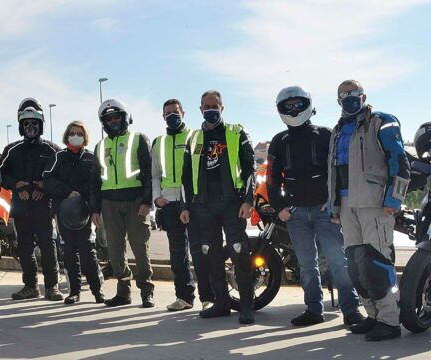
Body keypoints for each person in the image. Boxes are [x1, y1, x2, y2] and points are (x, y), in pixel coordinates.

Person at [267, 86, 365, 327]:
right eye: (287, 106)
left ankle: (351, 311)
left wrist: (336, 204)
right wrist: (280, 207)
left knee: (338, 261)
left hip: (325, 211)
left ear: (308, 105)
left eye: (297, 104)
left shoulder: (325, 134)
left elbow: (339, 171)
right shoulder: (279, 141)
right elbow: (271, 178)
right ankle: (313, 310)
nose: (293, 109)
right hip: (295, 213)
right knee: (306, 265)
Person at [328, 80, 409, 341]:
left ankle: (389, 321)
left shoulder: (381, 121)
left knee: (376, 262)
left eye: (354, 93)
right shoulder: (338, 129)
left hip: (375, 204)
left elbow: (399, 161)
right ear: (338, 99)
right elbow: (333, 171)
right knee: (355, 264)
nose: (350, 98)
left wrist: (394, 200)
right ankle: (372, 315)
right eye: (344, 95)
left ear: (363, 95)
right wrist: (334, 205)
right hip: (347, 204)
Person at [180, 90, 256, 324]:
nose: (211, 109)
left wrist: (248, 200)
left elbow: (250, 168)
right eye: (207, 106)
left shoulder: (235, 132)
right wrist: (185, 206)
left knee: (238, 252)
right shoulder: (193, 138)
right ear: (200, 109)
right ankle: (221, 303)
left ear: (222, 107)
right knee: (211, 256)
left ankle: (246, 306)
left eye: (216, 105)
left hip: (232, 204)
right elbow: (185, 176)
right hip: (203, 205)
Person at [90, 99, 155, 308]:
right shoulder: (101, 146)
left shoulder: (138, 139)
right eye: (108, 119)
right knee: (115, 250)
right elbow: (95, 181)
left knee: (139, 247)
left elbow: (148, 173)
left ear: (125, 117)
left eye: (116, 117)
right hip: (109, 203)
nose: (113, 121)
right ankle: (123, 291)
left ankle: (146, 291)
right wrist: (95, 209)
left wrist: (147, 201)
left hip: (135, 202)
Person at [151, 99, 214, 312]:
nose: (172, 116)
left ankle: (208, 297)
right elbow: (155, 175)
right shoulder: (158, 142)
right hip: (169, 204)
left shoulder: (196, 136)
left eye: (175, 112)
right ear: (163, 116)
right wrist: (157, 197)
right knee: (177, 254)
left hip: (194, 203)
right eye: (167, 113)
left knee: (200, 250)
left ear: (183, 113)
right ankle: (184, 297)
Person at [0, 98, 62, 301]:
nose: (30, 127)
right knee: (24, 246)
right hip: (20, 206)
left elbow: (61, 176)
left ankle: (52, 286)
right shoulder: (11, 150)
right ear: (20, 125)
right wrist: (16, 184)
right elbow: (0, 175)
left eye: (34, 123)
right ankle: (30, 286)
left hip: (44, 206)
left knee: (47, 245)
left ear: (41, 124)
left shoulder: (52, 149)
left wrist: (45, 188)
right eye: (26, 123)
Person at [43, 121, 104, 304]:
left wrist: (95, 210)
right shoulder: (58, 157)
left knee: (88, 252)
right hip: (64, 212)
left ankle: (97, 291)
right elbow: (48, 180)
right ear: (67, 135)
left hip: (85, 212)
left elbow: (96, 185)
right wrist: (67, 191)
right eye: (72, 133)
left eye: (79, 133)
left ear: (84, 136)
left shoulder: (91, 158)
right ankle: (74, 292)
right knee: (69, 252)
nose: (75, 136)